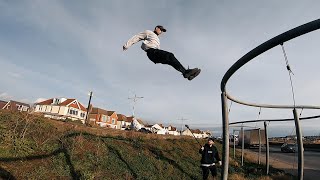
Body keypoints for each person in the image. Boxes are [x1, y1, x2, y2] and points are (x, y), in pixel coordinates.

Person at [123, 25, 201, 80]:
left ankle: (186, 74)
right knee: (170, 55)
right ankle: (186, 72)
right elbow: (137, 37)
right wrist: (127, 45)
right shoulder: (148, 32)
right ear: (156, 28)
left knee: (171, 60)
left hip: (155, 54)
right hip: (151, 52)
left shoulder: (157, 39)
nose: (161, 31)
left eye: (162, 31)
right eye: (160, 29)